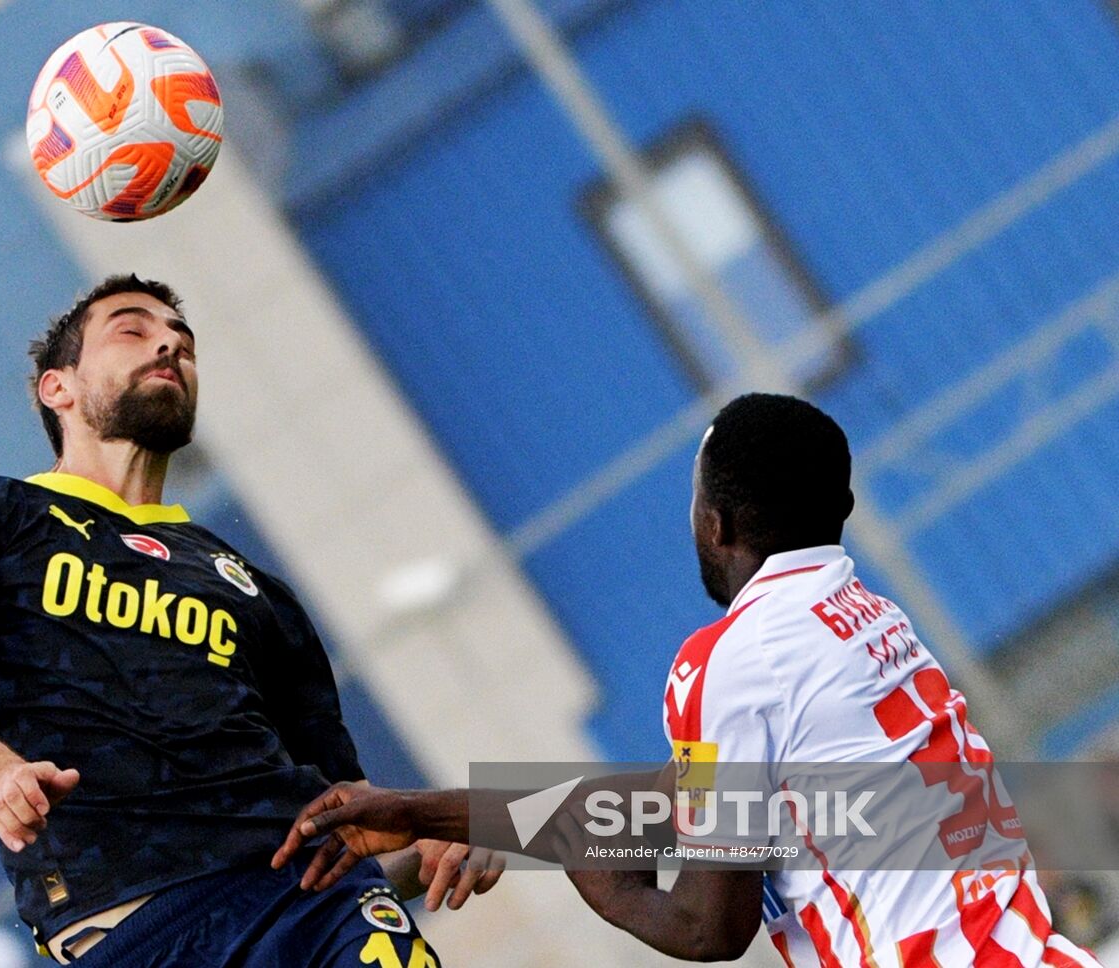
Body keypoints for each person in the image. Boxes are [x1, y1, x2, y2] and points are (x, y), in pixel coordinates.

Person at [273, 393, 1104, 967]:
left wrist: (578, 861)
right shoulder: (864, 621)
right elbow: (681, 803)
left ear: (720, 524)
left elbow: (710, 925)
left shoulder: (729, 660)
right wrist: (437, 812)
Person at [0, 275, 499, 966]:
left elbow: (343, 824)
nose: (170, 342)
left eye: (183, 340)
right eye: (132, 329)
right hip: (137, 935)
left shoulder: (254, 590)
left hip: (319, 908)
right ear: (59, 388)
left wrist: (446, 832)